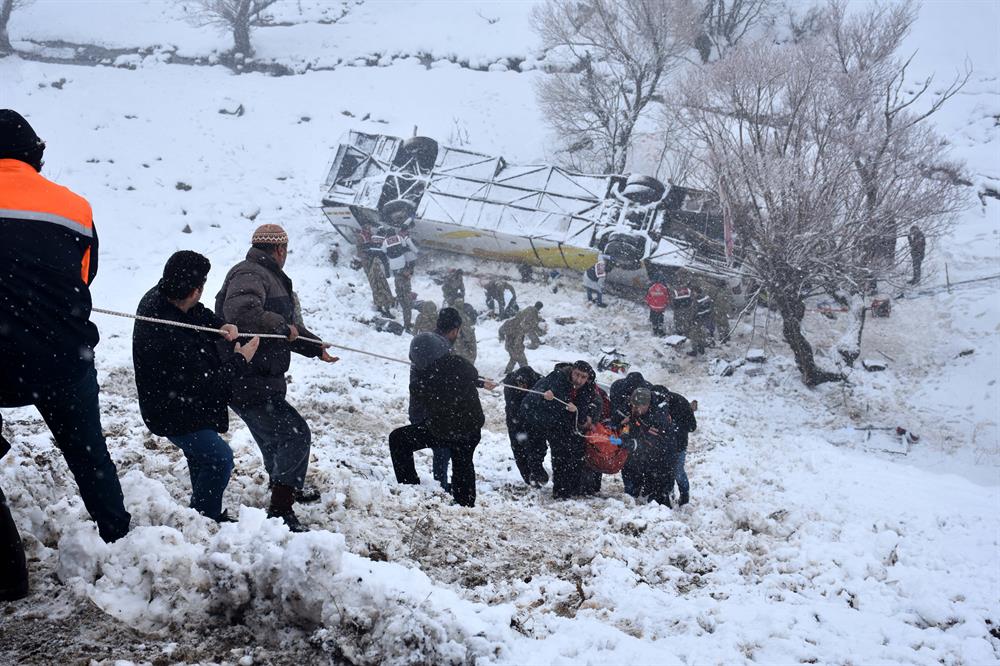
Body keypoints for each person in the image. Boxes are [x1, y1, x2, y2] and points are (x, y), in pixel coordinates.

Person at [0, 109, 132, 545]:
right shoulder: (75, 207)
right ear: (35, 155)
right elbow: (84, 275)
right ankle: (118, 538)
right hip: (59, 355)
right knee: (90, 455)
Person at [216, 224, 338, 532]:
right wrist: (283, 327)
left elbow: (285, 328)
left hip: (262, 377)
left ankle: (285, 485)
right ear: (280, 249)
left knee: (275, 437)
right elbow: (243, 313)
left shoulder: (269, 276)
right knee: (295, 435)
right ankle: (281, 508)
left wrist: (314, 348)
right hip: (247, 378)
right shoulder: (249, 273)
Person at [133, 251, 259, 522]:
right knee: (220, 458)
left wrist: (219, 325)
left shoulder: (163, 295)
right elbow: (209, 383)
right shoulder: (169, 338)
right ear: (195, 290)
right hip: (171, 410)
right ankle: (206, 516)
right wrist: (241, 359)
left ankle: (201, 515)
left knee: (202, 456)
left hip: (182, 402)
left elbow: (195, 312)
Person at [518, 361, 601, 498]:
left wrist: (580, 412)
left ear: (588, 378)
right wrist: (544, 395)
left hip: (564, 423)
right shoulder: (557, 378)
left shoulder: (589, 388)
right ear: (572, 371)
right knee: (541, 451)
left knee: (572, 452)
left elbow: (590, 406)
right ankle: (551, 485)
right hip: (538, 418)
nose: (579, 380)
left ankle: (572, 489)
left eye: (583, 377)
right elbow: (534, 395)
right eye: (577, 375)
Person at [408, 307, 462, 491]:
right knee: (444, 447)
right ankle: (440, 487)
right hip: (434, 413)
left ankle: (437, 484)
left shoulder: (425, 341)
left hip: (417, 410)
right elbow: (452, 378)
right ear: (455, 330)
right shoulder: (442, 348)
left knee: (441, 446)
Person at [619, 387, 676, 507]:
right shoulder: (634, 410)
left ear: (647, 405)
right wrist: (625, 433)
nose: (634, 409)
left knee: (659, 491)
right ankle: (634, 496)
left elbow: (655, 441)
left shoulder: (659, 416)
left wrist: (635, 443)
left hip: (662, 458)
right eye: (633, 405)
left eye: (638, 407)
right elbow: (628, 424)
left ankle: (663, 507)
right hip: (643, 458)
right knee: (632, 470)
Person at [650, 384, 697, 506]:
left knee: (677, 471)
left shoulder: (680, 403)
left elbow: (692, 426)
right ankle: (668, 495)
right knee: (664, 471)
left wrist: (675, 428)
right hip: (660, 445)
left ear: (667, 397)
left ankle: (684, 495)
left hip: (678, 445)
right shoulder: (652, 403)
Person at [502, 365, 542, 485]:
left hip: (534, 421)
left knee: (537, 449)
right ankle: (528, 477)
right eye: (519, 383)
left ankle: (537, 472)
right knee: (519, 451)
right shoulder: (510, 384)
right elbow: (513, 406)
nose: (522, 387)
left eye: (524, 384)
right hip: (515, 421)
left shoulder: (539, 383)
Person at [499, 301, 544, 374]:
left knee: (515, 358)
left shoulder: (518, 321)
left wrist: (502, 337)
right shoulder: (516, 324)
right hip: (513, 346)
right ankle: (524, 373)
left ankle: (508, 372)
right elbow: (532, 325)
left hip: (514, 346)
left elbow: (501, 329)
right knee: (521, 360)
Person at [363, 250, 395, 318]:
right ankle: (386, 312)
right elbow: (376, 281)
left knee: (380, 300)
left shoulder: (375, 270)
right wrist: (381, 289)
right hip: (380, 288)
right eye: (378, 263)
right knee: (384, 300)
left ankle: (381, 309)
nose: (380, 264)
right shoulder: (375, 271)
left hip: (379, 288)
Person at [451, 297, 478, 365]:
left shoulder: (454, 311)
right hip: (461, 337)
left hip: (456, 336)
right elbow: (465, 327)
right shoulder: (459, 313)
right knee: (466, 355)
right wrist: (468, 338)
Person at [393, 263, 415, 331]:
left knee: (409, 310)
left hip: (406, 296)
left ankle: (408, 323)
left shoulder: (404, 276)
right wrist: (408, 279)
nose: (409, 273)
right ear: (404, 271)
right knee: (406, 310)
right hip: (402, 297)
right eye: (407, 272)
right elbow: (403, 287)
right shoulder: (399, 278)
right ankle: (406, 326)